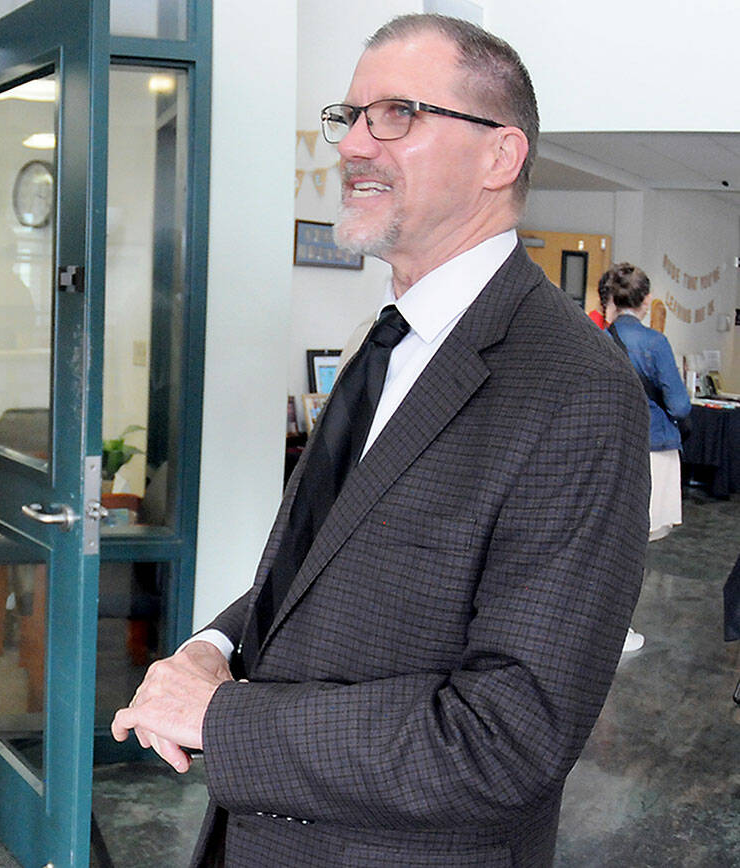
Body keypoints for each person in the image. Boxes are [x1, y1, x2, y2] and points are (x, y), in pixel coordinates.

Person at [111, 14, 649, 866]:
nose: (354, 144)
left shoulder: (577, 388)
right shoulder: (390, 341)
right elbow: (318, 571)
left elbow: (507, 739)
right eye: (351, 115)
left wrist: (220, 716)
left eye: (397, 113)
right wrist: (208, 650)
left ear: (499, 156)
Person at [603, 263, 692, 541]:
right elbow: (679, 406)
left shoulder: (599, 339)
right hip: (654, 444)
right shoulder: (655, 343)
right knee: (646, 535)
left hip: (610, 445)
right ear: (646, 299)